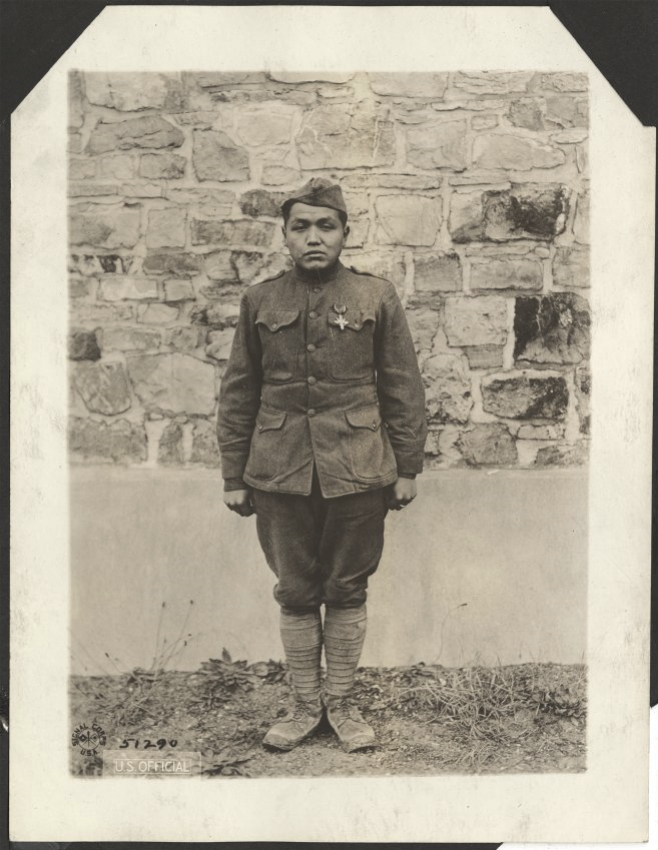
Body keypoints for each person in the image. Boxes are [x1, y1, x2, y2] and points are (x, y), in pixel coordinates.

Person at [217, 177, 427, 753]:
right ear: (285, 237)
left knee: (349, 586)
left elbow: (403, 387)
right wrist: (234, 474)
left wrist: (407, 466)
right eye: (301, 227)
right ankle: (304, 705)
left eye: (326, 226)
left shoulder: (375, 296)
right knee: (295, 588)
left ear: (344, 233)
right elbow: (239, 391)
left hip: (359, 466)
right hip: (279, 470)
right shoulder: (259, 301)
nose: (314, 237)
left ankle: (344, 705)